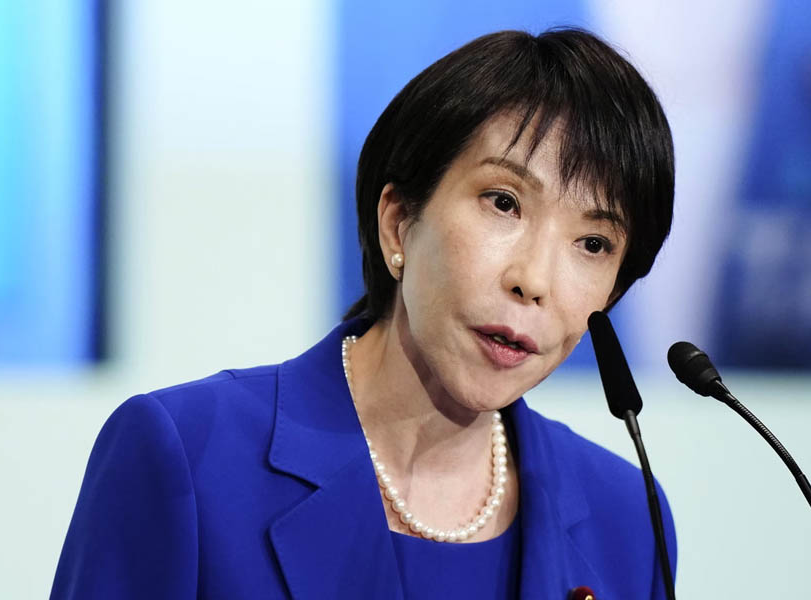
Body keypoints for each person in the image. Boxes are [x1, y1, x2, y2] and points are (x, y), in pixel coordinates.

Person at [51, 27, 676, 599]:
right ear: (399, 221)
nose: (534, 280)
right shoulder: (185, 456)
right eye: (504, 202)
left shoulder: (627, 519)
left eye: (593, 244)